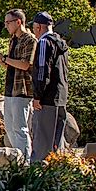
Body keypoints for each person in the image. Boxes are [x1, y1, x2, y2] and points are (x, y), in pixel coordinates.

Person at [0, 9, 36, 161]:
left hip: (23, 90)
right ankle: (17, 159)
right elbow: (10, 66)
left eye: (8, 22)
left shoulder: (30, 40)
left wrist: (4, 58)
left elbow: (26, 65)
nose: (6, 25)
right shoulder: (13, 39)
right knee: (9, 128)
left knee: (20, 129)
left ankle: (25, 162)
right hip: (10, 88)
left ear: (18, 22)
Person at [30, 11, 69, 162]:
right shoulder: (61, 43)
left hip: (46, 99)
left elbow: (42, 70)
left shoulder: (44, 43)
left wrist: (37, 96)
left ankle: (38, 178)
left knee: (42, 142)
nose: (34, 32)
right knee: (56, 144)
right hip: (61, 97)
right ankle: (56, 176)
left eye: (34, 28)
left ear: (39, 27)